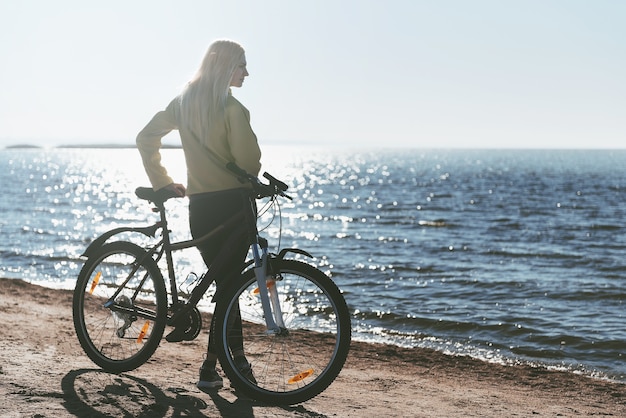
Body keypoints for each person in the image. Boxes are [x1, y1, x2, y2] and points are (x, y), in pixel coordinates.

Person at [136, 39, 261, 392]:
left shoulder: (183, 102)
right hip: (233, 206)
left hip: (201, 209)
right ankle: (229, 368)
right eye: (242, 65)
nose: (247, 73)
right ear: (226, 68)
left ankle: (216, 367)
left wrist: (161, 181)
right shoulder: (233, 110)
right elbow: (249, 164)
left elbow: (146, 138)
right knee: (230, 287)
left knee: (227, 285)